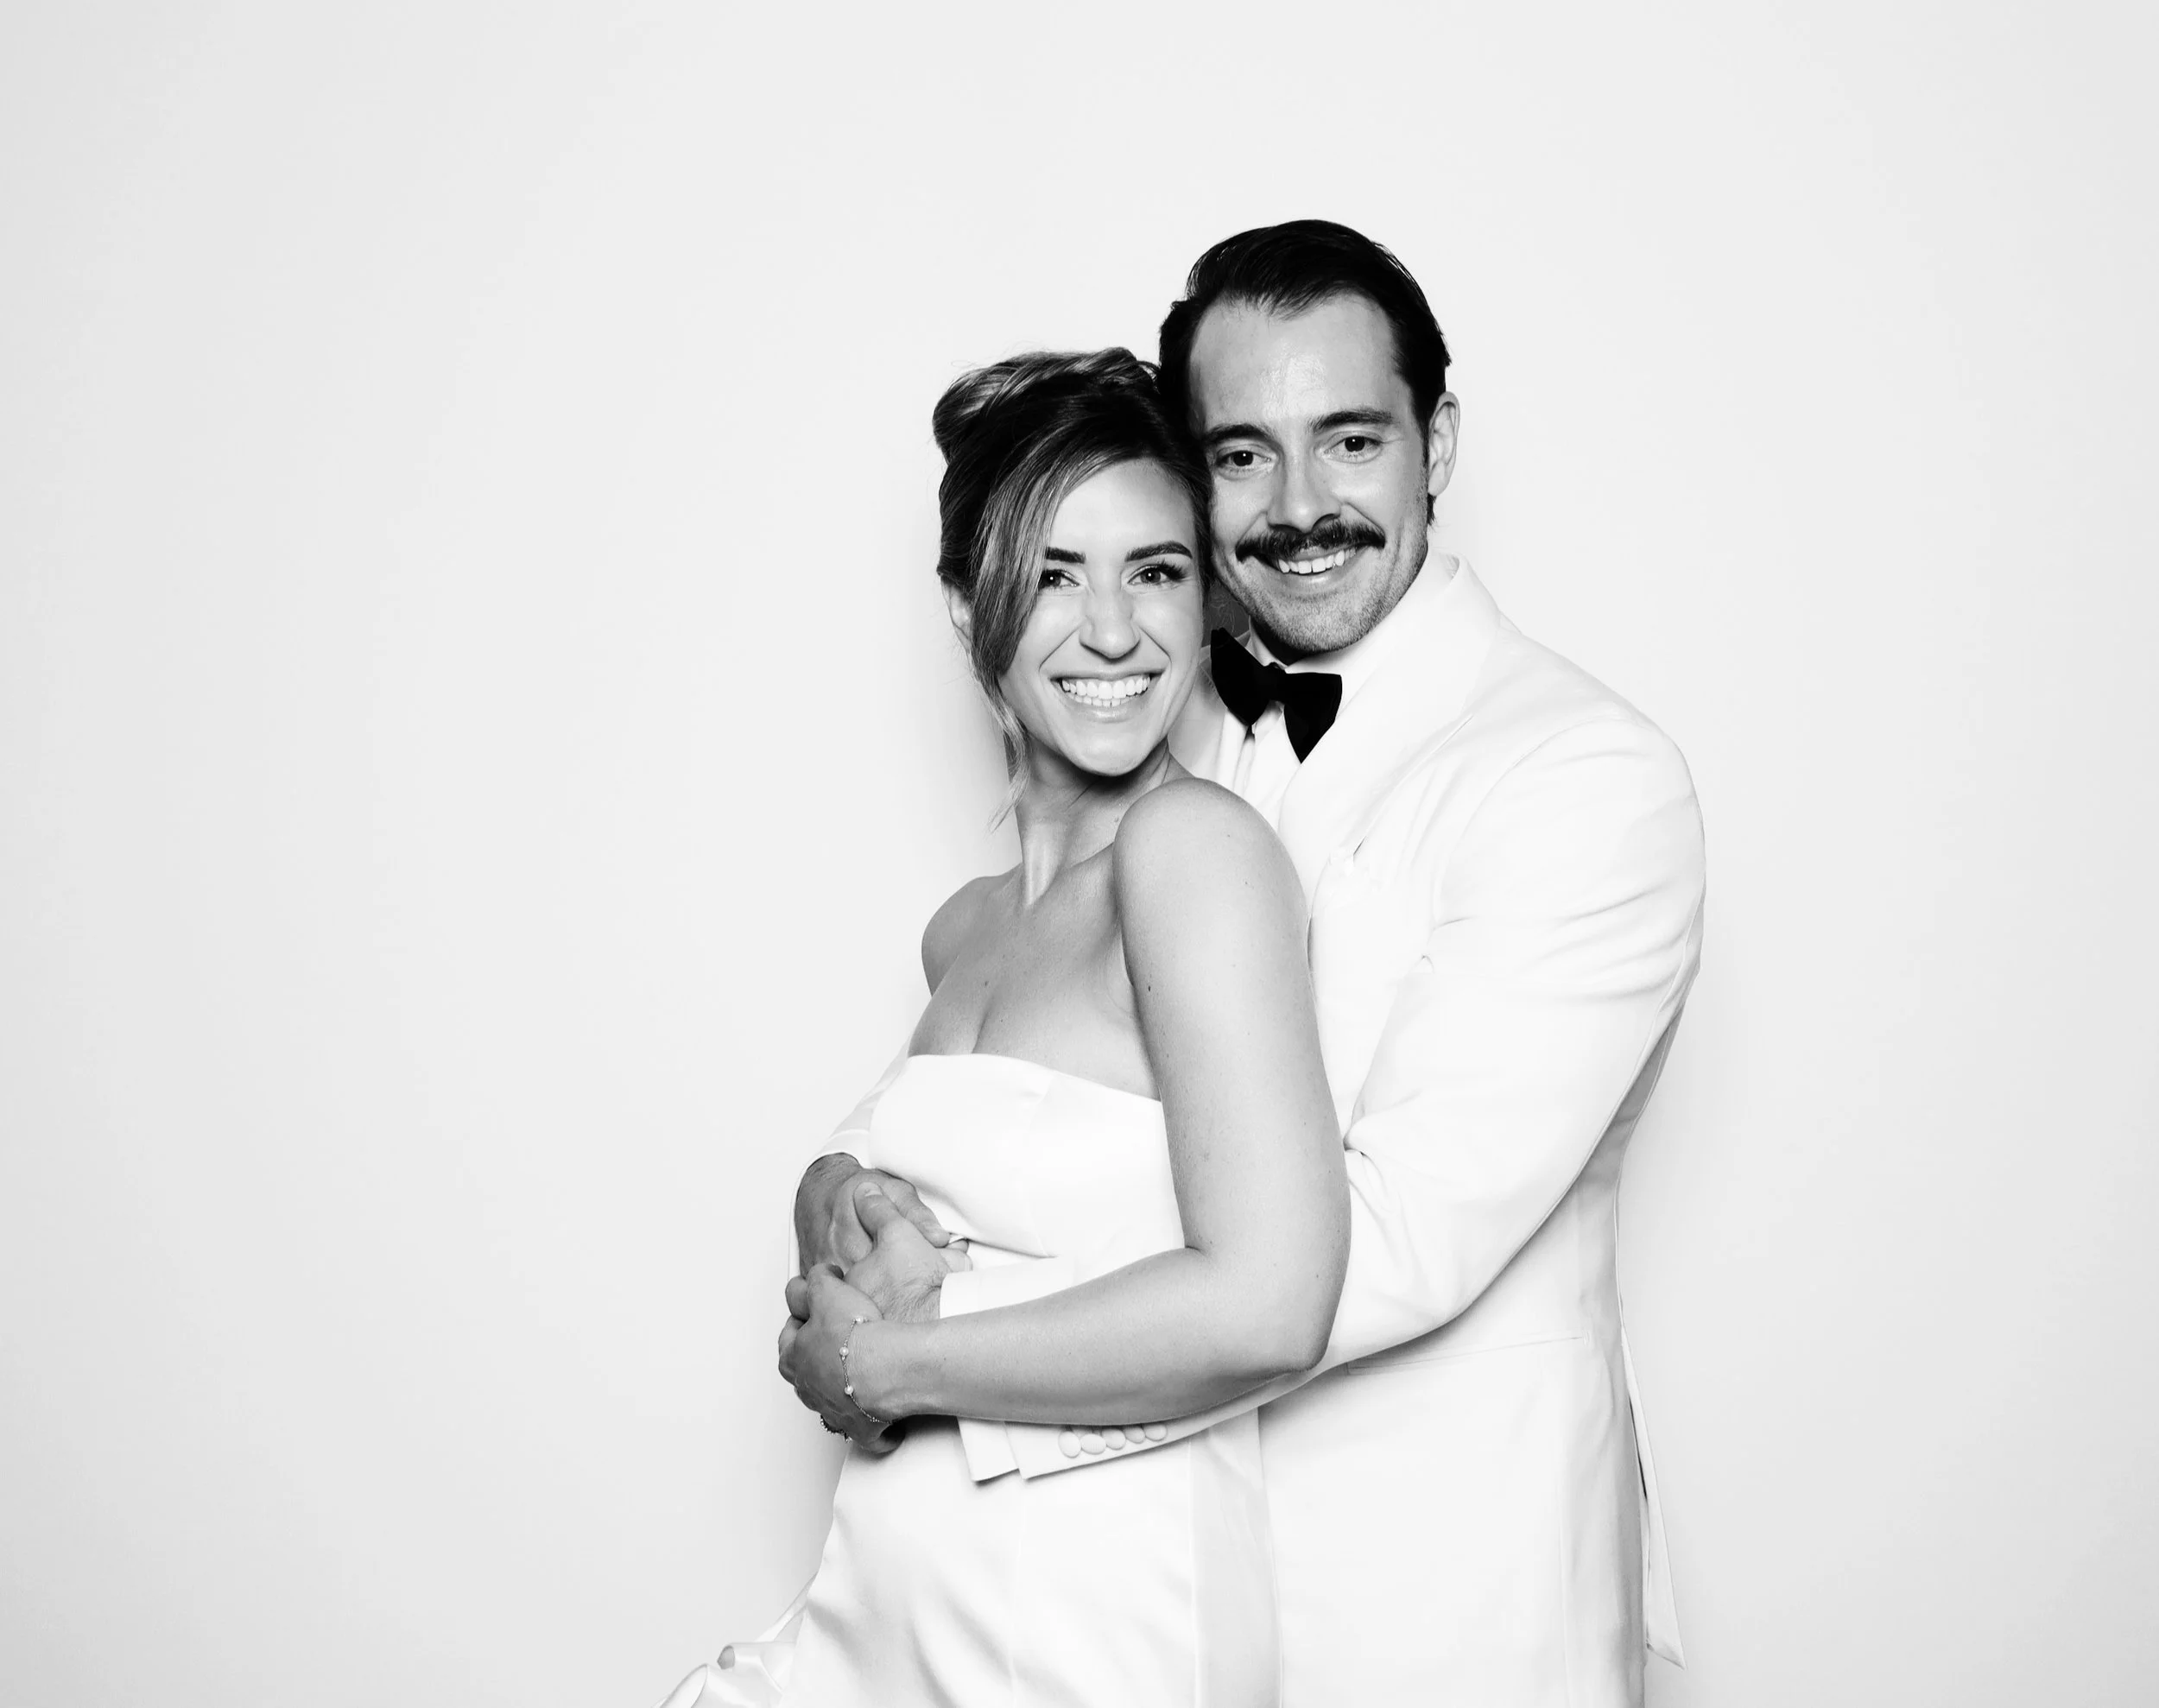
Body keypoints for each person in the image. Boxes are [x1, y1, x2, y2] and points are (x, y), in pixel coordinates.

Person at [794, 222, 1707, 1707]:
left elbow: (1374, 1245)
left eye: (1349, 439)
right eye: (1238, 455)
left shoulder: (1584, 776)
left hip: (1440, 1601)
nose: (1298, 508)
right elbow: (1022, 1072)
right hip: (1124, 1594)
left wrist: (921, 1344)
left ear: (1438, 442)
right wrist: (854, 1197)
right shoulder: (1152, 714)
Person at [661, 348, 1347, 1707]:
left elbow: (1273, 1299)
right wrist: (834, 1193)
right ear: (969, 596)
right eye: (1052, 572)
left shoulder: (1189, 853)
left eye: (1155, 571)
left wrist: (886, 1361)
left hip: (1090, 1629)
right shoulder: (965, 926)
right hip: (893, 1612)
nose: (1113, 630)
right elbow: (930, 1178)